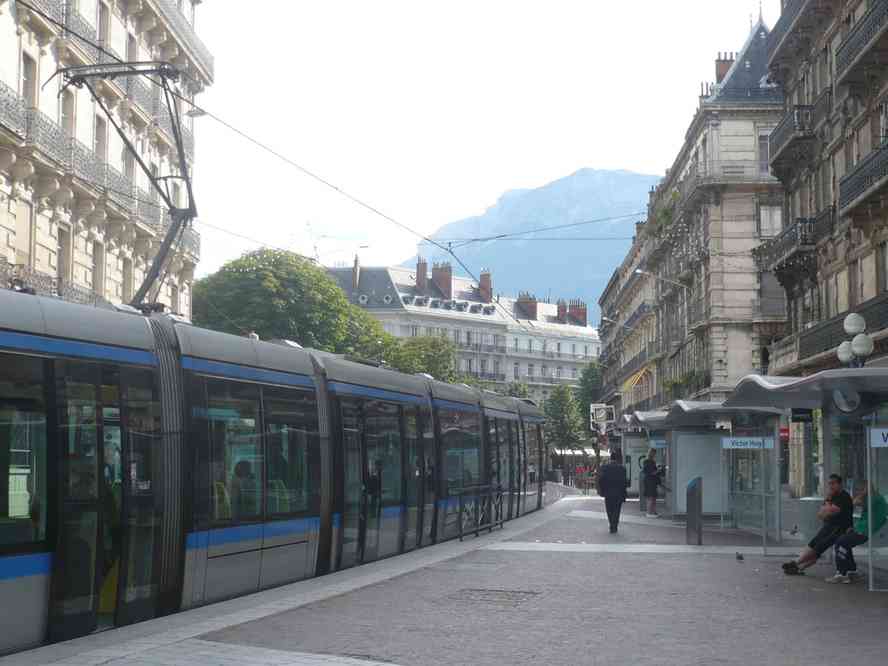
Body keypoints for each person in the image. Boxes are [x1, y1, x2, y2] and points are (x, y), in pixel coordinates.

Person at [783, 474, 854, 576]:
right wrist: (828, 507)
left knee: (818, 548)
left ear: (840, 484)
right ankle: (798, 567)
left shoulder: (844, 496)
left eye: (833, 483)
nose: (831, 486)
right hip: (828, 526)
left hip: (839, 528)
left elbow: (832, 511)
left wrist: (828, 508)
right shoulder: (831, 496)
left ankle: (796, 563)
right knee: (813, 544)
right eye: (829, 483)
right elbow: (821, 514)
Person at [826, 482, 888, 584]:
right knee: (844, 543)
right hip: (861, 529)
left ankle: (842, 573)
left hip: (864, 531)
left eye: (861, 489)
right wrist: (854, 528)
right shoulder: (873, 498)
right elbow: (864, 514)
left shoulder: (874, 498)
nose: (859, 491)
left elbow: (854, 503)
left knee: (840, 543)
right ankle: (851, 570)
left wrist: (862, 494)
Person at [597, 449, 628, 534]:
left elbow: (601, 480)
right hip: (619, 493)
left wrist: (602, 490)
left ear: (610, 458)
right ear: (618, 459)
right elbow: (625, 482)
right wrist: (624, 491)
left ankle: (611, 524)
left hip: (608, 492)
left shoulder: (605, 468)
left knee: (609, 509)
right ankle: (614, 525)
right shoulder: (622, 469)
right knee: (617, 510)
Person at [642, 449, 660, 518]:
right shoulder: (648, 462)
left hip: (651, 481)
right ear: (652, 453)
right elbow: (651, 472)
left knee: (653, 497)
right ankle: (649, 512)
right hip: (650, 481)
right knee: (651, 497)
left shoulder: (650, 461)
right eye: (654, 453)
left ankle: (653, 512)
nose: (655, 455)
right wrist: (658, 470)